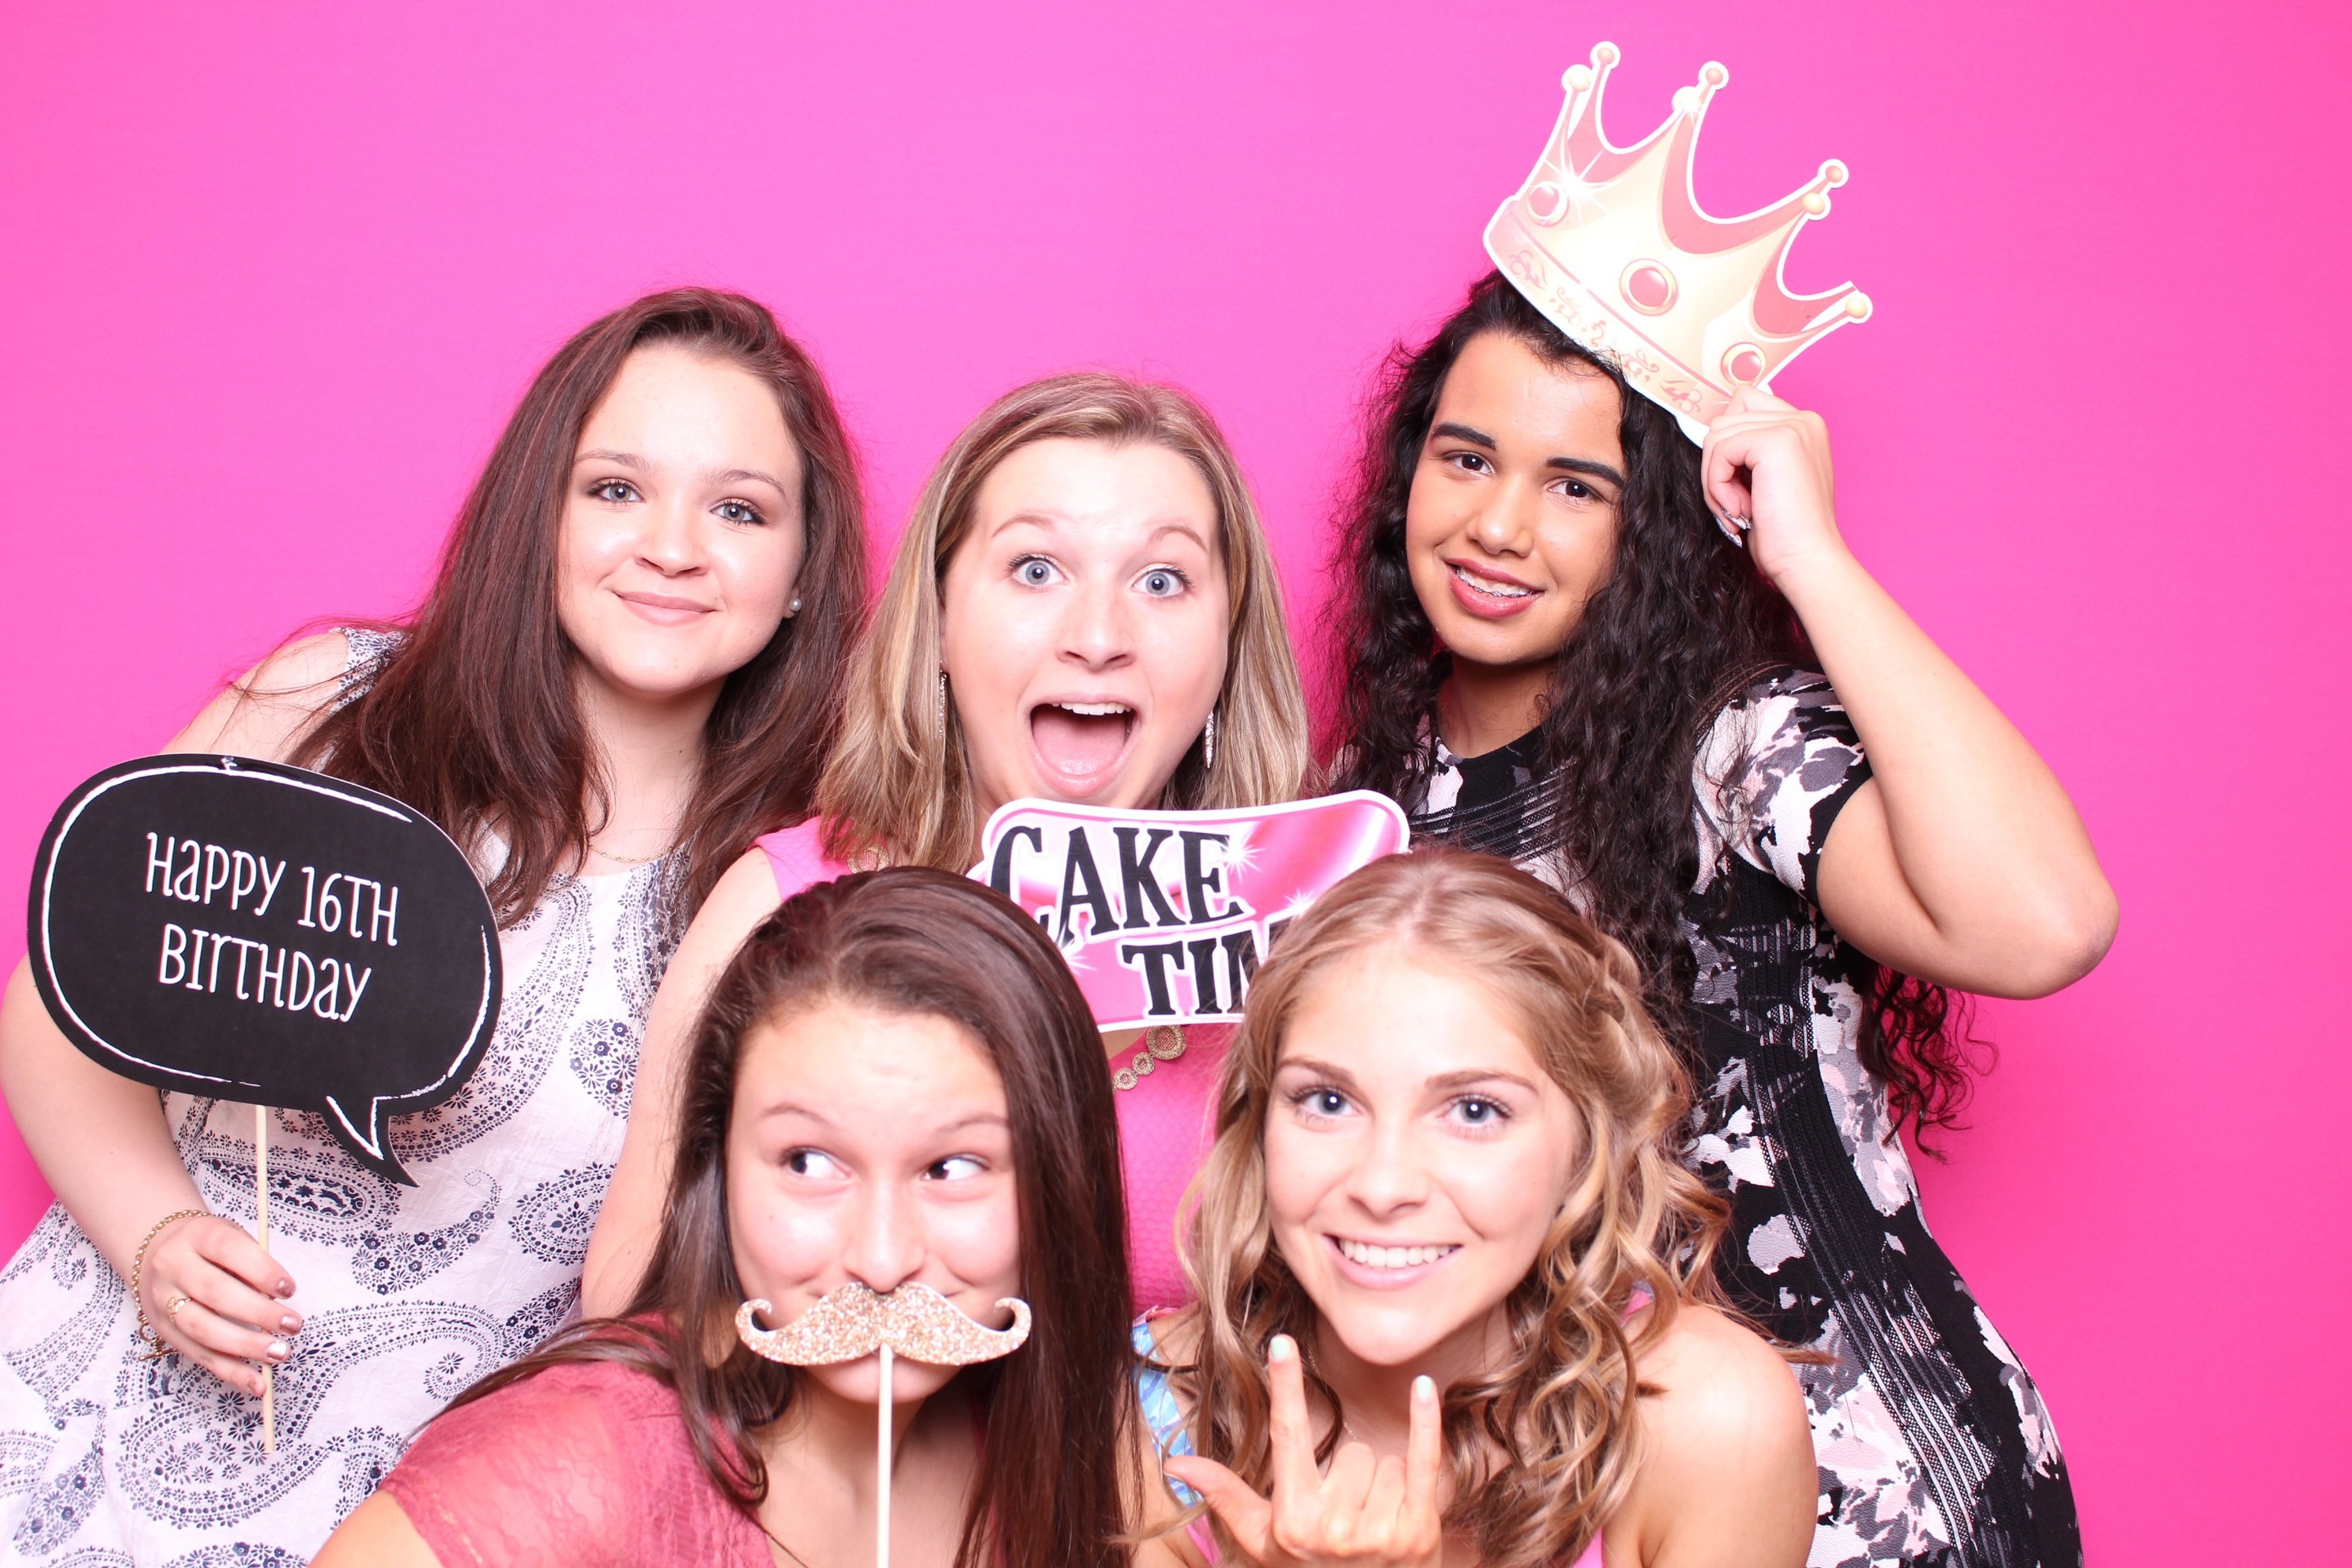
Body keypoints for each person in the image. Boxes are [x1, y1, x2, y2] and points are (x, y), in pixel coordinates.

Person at [0, 287, 868, 1562]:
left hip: (434, 1518)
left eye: (739, 510)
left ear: (801, 575)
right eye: (615, 490)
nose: (673, 547)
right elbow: (62, 1008)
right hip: (88, 1436)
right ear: (540, 515)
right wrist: (155, 1237)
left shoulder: (794, 887)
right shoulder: (332, 711)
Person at [1324, 271, 2118, 1565]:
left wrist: (1809, 559)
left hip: (1882, 1489)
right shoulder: (1365, 812)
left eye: (1577, 487)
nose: (1500, 526)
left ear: (1655, 526)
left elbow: (2047, 925)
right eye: (1467, 459)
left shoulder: (1732, 752)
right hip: (1601, 1497)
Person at [586, 372, 1312, 1316]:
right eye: (1036, 570)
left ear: (1226, 644)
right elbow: (631, 1305)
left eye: (1162, 581)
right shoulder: (777, 907)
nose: (1098, 636)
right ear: (937, 623)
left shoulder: (1304, 953)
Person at [312, 868, 1139, 1568]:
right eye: (808, 1163)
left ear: (1059, 1180)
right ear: (720, 1165)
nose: (883, 1261)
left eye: (952, 1169)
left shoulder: (1065, 1449)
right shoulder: (575, 1459)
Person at [1134, 849, 1815, 1568]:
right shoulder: (1148, 1424)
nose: (1383, 1186)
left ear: (1585, 1144)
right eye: (1327, 1101)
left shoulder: (1712, 1421)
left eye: (1474, 1110)